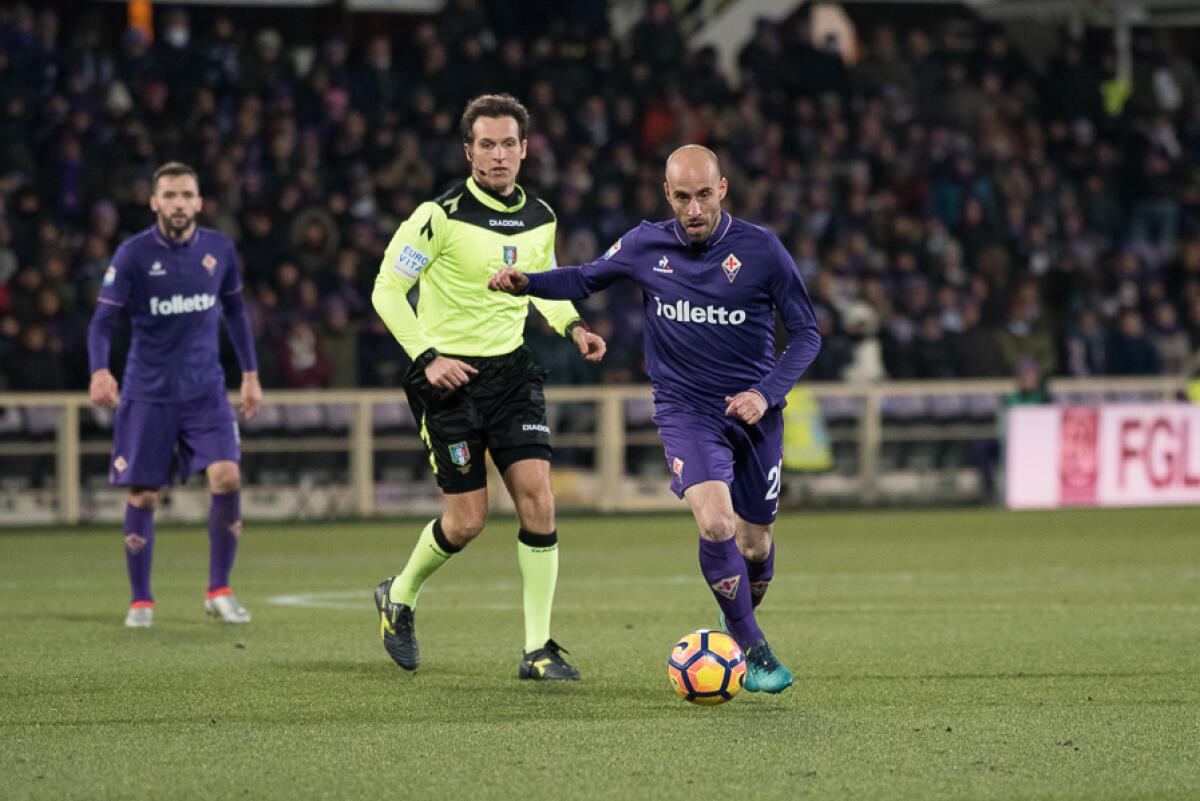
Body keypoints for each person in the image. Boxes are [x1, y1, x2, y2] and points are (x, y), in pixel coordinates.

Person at [489, 145, 821, 693]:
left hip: (755, 415)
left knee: (755, 547)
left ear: (723, 189)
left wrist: (765, 394)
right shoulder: (645, 243)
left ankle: (736, 616)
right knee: (717, 524)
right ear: (667, 194)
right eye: (683, 197)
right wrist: (530, 283)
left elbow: (807, 334)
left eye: (705, 195)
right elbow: (585, 277)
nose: (694, 209)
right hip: (686, 410)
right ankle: (754, 649)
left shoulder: (762, 249)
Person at [371, 93, 606, 680]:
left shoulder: (541, 217)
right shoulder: (438, 216)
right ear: (468, 151)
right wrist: (428, 357)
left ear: (524, 150)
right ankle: (399, 595)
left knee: (538, 497)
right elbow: (386, 290)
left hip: (511, 374)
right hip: (447, 380)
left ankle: (537, 649)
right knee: (466, 522)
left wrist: (574, 326)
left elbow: (542, 287)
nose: (498, 155)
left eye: (508, 144)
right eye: (486, 145)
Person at [87, 161, 263, 628]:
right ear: (154, 202)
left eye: (186, 195)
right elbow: (102, 321)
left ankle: (219, 590)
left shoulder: (219, 249)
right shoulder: (132, 254)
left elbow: (235, 312)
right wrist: (100, 371)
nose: (178, 203)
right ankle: (141, 600)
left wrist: (250, 374)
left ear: (199, 202)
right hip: (148, 393)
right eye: (169, 195)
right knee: (145, 495)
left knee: (227, 477)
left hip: (205, 391)